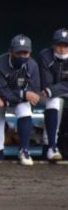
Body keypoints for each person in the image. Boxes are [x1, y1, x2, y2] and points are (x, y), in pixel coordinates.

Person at [0, 34, 40, 166]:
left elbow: (32, 93)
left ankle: (24, 150)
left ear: (30, 53)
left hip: (13, 101)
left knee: (25, 110)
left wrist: (9, 101)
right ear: (10, 51)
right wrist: (22, 94)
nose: (22, 56)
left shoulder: (32, 66)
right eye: (18, 53)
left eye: (25, 53)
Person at [37, 28, 68, 161]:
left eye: (65, 45)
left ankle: (51, 146)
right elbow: (46, 84)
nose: (62, 48)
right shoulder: (45, 55)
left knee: (55, 98)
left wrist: (54, 89)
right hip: (43, 94)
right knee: (55, 100)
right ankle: (51, 146)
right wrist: (54, 90)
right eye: (59, 44)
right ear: (53, 44)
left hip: (56, 91)